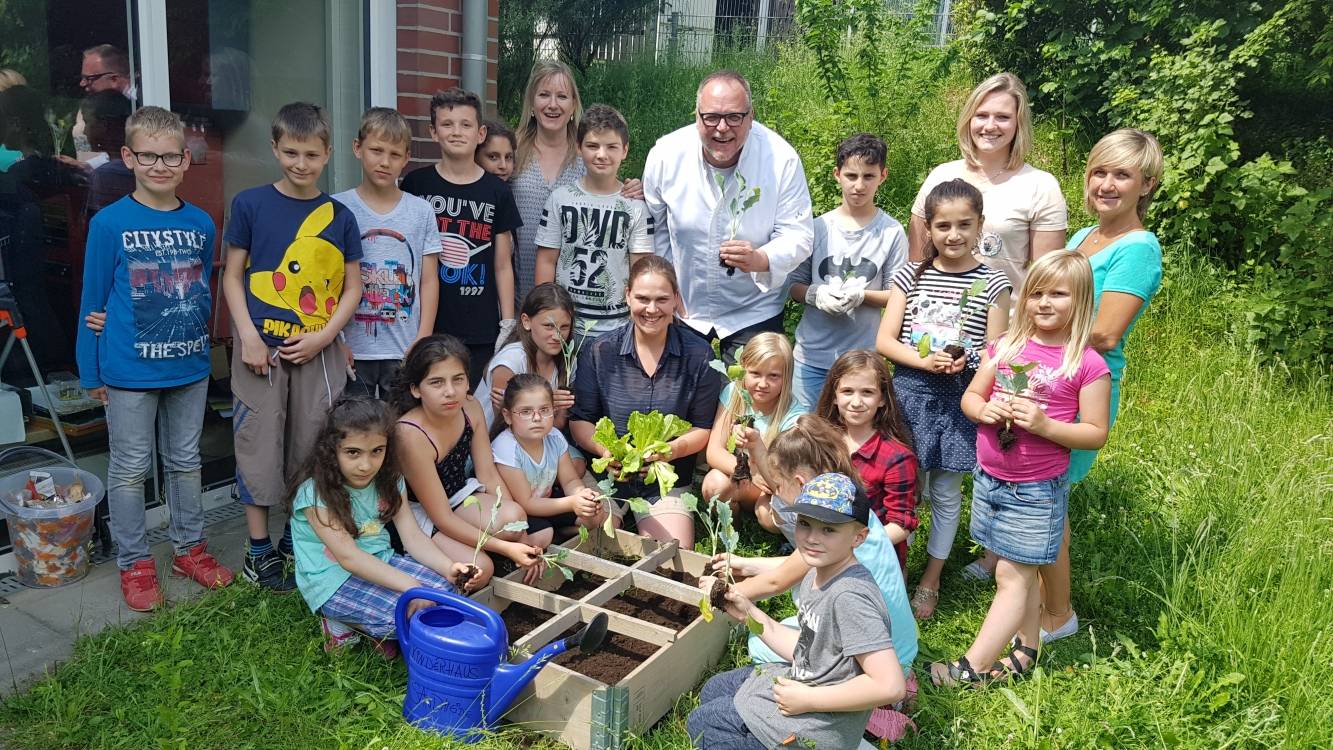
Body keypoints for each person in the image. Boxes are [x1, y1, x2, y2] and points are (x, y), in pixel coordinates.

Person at [967, 129, 1165, 643]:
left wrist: (1029, 331)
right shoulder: (1082, 239)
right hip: (1038, 374)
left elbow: (1104, 330)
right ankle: (1019, 587)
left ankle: (1058, 613)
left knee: (1050, 500)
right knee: (1032, 489)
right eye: (1099, 171)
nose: (1106, 184)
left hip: (1075, 388)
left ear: (1147, 184)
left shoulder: (1138, 247)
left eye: (1121, 175)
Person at [75, 105, 232, 611]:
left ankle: (190, 549)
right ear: (128, 157)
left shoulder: (201, 222)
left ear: (186, 159)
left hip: (187, 366)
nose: (160, 166)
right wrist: (90, 370)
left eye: (170, 157)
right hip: (128, 370)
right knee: (129, 468)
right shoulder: (109, 223)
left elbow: (200, 290)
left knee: (186, 462)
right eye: (149, 156)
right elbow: (92, 301)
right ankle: (135, 562)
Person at [932, 251, 1110, 686]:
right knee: (1021, 573)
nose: (1045, 303)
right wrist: (985, 409)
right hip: (991, 480)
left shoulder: (1086, 364)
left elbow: (1095, 432)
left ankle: (969, 669)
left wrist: (1047, 425)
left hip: (1036, 489)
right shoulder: (1004, 348)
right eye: (1036, 293)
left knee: (1012, 575)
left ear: (1082, 300)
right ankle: (1025, 651)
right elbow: (970, 398)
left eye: (1059, 294)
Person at [222, 102, 363, 591]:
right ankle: (258, 552)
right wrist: (247, 337)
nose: (300, 164)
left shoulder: (340, 216)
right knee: (259, 445)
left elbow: (352, 288)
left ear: (327, 154)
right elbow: (233, 276)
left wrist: (326, 337)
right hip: (260, 355)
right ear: (275, 148)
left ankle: (292, 542)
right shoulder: (250, 204)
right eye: (290, 153)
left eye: (311, 154)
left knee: (309, 448)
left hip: (317, 354)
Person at [687, 473, 906, 750]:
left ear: (858, 537)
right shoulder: (818, 572)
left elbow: (890, 686)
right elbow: (808, 648)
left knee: (702, 723)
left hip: (814, 727)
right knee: (715, 689)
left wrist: (809, 699)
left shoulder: (850, 597)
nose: (812, 538)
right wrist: (747, 612)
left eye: (829, 529)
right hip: (806, 682)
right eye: (805, 524)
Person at [875, 179, 1010, 620]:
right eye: (943, 225)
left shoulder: (994, 283)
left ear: (980, 226)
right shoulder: (910, 276)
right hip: (910, 393)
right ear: (928, 229)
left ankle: (931, 577)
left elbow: (996, 351)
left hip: (959, 396)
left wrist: (965, 360)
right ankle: (896, 570)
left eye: (964, 225)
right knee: (905, 487)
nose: (954, 235)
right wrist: (921, 359)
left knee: (948, 491)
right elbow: (884, 340)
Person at [642, 69, 813, 359]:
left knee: (751, 399)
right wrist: (664, 286)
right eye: (711, 117)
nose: (722, 128)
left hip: (754, 309)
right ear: (696, 115)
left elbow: (799, 234)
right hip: (685, 306)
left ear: (751, 116)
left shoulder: (781, 159)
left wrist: (762, 258)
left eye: (734, 117)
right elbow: (654, 228)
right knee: (681, 401)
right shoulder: (666, 155)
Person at [288, 396, 480, 653]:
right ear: (331, 450)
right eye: (353, 452)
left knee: (449, 595)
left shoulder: (389, 480)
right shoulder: (316, 493)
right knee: (413, 614)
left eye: (377, 451)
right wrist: (412, 587)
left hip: (382, 560)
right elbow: (350, 558)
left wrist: (448, 567)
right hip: (333, 581)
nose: (366, 465)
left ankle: (381, 630)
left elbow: (412, 537)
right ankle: (340, 625)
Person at [569, 255, 720, 548]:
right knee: (596, 541)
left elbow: (702, 428)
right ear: (627, 296)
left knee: (670, 554)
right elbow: (580, 420)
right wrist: (607, 451)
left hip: (665, 478)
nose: (652, 309)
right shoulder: (600, 351)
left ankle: (640, 517)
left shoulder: (699, 355)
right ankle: (608, 517)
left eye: (662, 299)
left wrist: (667, 452)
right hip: (608, 475)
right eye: (642, 298)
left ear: (676, 299)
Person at [393, 335, 543, 588]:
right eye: (436, 382)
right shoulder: (410, 435)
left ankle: (479, 544)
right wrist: (507, 547)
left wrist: (522, 537)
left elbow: (488, 474)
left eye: (458, 380)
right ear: (416, 389)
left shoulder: (470, 407)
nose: (450, 391)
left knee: (515, 516)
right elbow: (440, 517)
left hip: (459, 496)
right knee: (480, 570)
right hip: (423, 514)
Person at [401, 87, 520, 389]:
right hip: (428, 321)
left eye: (465, 125)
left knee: (468, 404)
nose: (456, 132)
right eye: (447, 124)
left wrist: (507, 322)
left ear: (480, 133)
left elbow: (503, 264)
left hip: (479, 325)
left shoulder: (497, 191)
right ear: (432, 131)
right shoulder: (416, 184)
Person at [908, 72, 1066, 294]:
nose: (990, 126)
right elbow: (916, 265)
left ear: (1018, 123)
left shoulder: (1041, 186)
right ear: (969, 119)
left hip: (1006, 323)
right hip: (936, 320)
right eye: (981, 115)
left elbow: (1046, 280)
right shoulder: (940, 176)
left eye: (1002, 117)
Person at [790, 133, 908, 409]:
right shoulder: (818, 227)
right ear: (837, 174)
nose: (859, 185)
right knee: (807, 435)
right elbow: (794, 286)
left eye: (868, 176)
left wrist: (862, 295)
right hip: (811, 358)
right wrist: (815, 295)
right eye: (851, 175)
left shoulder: (891, 232)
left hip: (863, 360)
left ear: (883, 176)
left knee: (853, 437)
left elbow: (897, 295)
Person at [509, 62, 643, 305]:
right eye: (543, 95)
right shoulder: (512, 152)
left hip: (576, 294)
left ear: (573, 105)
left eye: (562, 96)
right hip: (520, 287)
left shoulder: (588, 153)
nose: (552, 104)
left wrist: (636, 189)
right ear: (531, 102)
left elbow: (613, 194)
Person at [332, 108, 439, 400]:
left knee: (403, 430)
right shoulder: (337, 209)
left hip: (403, 349)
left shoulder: (421, 212)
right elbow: (326, 282)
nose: (384, 162)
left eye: (394, 154)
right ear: (357, 148)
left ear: (406, 159)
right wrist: (335, 340)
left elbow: (429, 279)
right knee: (355, 430)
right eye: (376, 150)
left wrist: (422, 337)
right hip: (351, 348)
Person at [534, 103, 654, 338]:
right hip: (567, 324)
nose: (602, 154)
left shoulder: (636, 207)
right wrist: (545, 315)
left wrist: (636, 325)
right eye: (592, 146)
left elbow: (640, 269)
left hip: (616, 326)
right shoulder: (560, 199)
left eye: (611, 147)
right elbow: (547, 261)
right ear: (579, 148)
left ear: (625, 150)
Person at [814, 350, 917, 574]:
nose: (856, 402)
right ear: (834, 396)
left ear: (882, 399)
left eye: (867, 392)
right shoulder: (823, 442)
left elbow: (902, 524)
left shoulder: (897, 457)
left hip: (872, 557)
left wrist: (850, 547)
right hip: (823, 545)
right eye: (847, 391)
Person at [492, 374, 616, 548]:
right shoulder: (506, 448)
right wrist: (572, 502)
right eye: (526, 411)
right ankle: (557, 534)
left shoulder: (554, 437)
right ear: (507, 416)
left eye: (544, 410)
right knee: (543, 535)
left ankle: (563, 533)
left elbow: (570, 480)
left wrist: (582, 495)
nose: (537, 418)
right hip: (520, 513)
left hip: (547, 502)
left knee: (594, 514)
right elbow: (526, 503)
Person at [700, 331, 805, 531]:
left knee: (768, 515)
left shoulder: (794, 417)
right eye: (755, 373)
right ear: (743, 369)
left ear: (787, 377)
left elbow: (784, 485)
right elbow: (713, 452)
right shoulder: (734, 392)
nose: (763, 383)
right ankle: (732, 526)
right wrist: (750, 473)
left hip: (771, 489)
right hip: (744, 479)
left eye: (773, 376)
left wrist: (762, 474)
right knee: (714, 483)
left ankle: (765, 531)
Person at [478, 283, 576, 435]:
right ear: (526, 321)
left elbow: (559, 423)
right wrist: (547, 404)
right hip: (497, 440)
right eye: (549, 326)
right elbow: (504, 424)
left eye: (564, 327)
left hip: (544, 436)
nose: (557, 336)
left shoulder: (569, 360)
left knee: (576, 459)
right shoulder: (511, 360)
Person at [73, 44, 136, 162]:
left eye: (89, 78)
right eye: (82, 77)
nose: (82, 83)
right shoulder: (92, 105)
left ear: (114, 79)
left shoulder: (147, 100)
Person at [79, 90, 135, 217]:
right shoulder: (134, 165)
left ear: (104, 125)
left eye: (88, 122)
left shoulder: (106, 175)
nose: (84, 131)